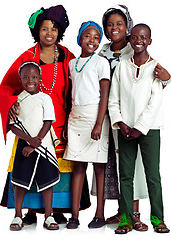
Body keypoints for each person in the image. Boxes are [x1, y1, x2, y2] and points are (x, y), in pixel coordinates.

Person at [0, 5, 91, 226]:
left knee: (57, 166)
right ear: (37, 32)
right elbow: (7, 86)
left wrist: (75, 118)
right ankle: (30, 210)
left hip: (60, 118)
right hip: (31, 124)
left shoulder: (67, 55)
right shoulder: (28, 57)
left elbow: (77, 87)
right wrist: (12, 104)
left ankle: (57, 210)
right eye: (44, 29)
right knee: (29, 163)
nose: (49, 33)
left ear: (59, 32)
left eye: (53, 29)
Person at [91, 5, 171, 231]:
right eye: (110, 24)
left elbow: (156, 98)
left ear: (149, 41)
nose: (138, 40)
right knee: (123, 174)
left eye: (142, 37)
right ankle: (124, 217)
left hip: (148, 128)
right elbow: (113, 98)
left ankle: (157, 218)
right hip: (120, 126)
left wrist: (140, 126)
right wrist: (121, 123)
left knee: (151, 175)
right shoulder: (119, 64)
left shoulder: (154, 65)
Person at [63, 21, 110, 229]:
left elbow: (104, 95)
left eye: (96, 37)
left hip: (95, 117)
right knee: (78, 165)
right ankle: (74, 216)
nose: (92, 40)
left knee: (99, 167)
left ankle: (99, 214)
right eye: (88, 36)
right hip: (76, 117)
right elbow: (71, 94)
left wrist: (99, 123)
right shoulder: (72, 63)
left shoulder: (101, 63)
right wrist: (67, 121)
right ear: (80, 38)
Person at [9, 61, 60, 231]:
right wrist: (29, 141)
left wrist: (35, 142)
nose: (30, 80)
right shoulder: (17, 99)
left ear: (39, 78)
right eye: (25, 77)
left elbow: (48, 122)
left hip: (42, 144)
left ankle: (48, 215)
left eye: (33, 77)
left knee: (47, 181)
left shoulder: (45, 98)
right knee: (20, 181)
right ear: (20, 79)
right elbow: (13, 125)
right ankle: (17, 215)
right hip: (24, 145)